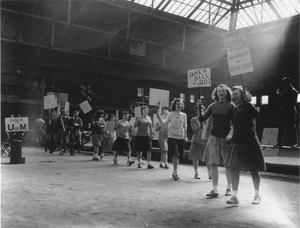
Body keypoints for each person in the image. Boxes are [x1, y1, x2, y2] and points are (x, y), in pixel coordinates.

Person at [225, 86, 266, 205]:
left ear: (243, 95)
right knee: (234, 168)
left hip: (250, 142)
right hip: (237, 142)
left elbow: (256, 115)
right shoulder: (235, 109)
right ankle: (234, 196)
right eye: (233, 94)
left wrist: (249, 104)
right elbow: (233, 126)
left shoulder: (249, 107)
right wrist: (230, 136)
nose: (234, 96)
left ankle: (257, 195)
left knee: (254, 170)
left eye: (236, 94)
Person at [199, 84, 235, 198]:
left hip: (226, 137)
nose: (221, 93)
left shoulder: (231, 106)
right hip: (213, 136)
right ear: (216, 93)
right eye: (219, 91)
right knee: (213, 163)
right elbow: (202, 118)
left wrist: (231, 134)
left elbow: (235, 122)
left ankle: (229, 187)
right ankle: (214, 189)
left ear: (227, 93)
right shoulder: (212, 105)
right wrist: (199, 107)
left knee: (227, 164)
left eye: (223, 91)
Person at [157, 98, 188, 181]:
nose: (179, 105)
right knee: (175, 154)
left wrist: (186, 136)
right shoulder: (170, 114)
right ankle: (175, 172)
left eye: (181, 104)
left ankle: (175, 170)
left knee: (178, 156)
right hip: (172, 136)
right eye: (178, 104)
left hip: (180, 137)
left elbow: (185, 127)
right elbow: (164, 124)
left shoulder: (184, 115)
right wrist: (159, 118)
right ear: (174, 105)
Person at [274, 77, 299, 148]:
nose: (284, 84)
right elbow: (281, 101)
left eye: (285, 83)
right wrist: (280, 95)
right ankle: (279, 142)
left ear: (289, 82)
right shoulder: (285, 91)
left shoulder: (294, 91)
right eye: (283, 83)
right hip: (284, 110)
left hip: (290, 110)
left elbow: (293, 102)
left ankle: (295, 143)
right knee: (281, 126)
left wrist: (282, 96)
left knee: (292, 126)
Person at [189, 102, 211, 179]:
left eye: (202, 110)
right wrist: (201, 125)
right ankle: (196, 173)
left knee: (207, 157)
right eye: (198, 110)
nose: (200, 111)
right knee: (195, 157)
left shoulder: (208, 119)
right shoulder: (194, 119)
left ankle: (210, 173)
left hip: (205, 140)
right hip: (196, 140)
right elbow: (194, 131)